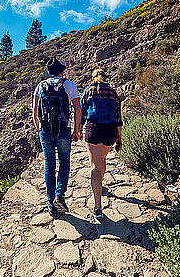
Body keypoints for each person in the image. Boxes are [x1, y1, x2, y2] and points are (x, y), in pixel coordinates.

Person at [33, 58, 82, 217]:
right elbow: (77, 109)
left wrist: (39, 127)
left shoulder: (40, 86)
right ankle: (60, 195)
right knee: (64, 161)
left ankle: (50, 203)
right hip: (64, 129)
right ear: (61, 71)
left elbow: (35, 111)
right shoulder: (69, 84)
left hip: (45, 130)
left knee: (49, 165)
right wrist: (77, 129)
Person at [79, 68, 122, 220]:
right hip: (110, 131)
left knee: (95, 165)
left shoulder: (88, 90)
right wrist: (119, 139)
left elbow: (82, 112)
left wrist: (78, 128)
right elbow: (118, 118)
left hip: (94, 129)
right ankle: (100, 185)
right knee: (102, 159)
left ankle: (98, 207)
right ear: (105, 77)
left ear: (93, 78)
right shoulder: (112, 92)